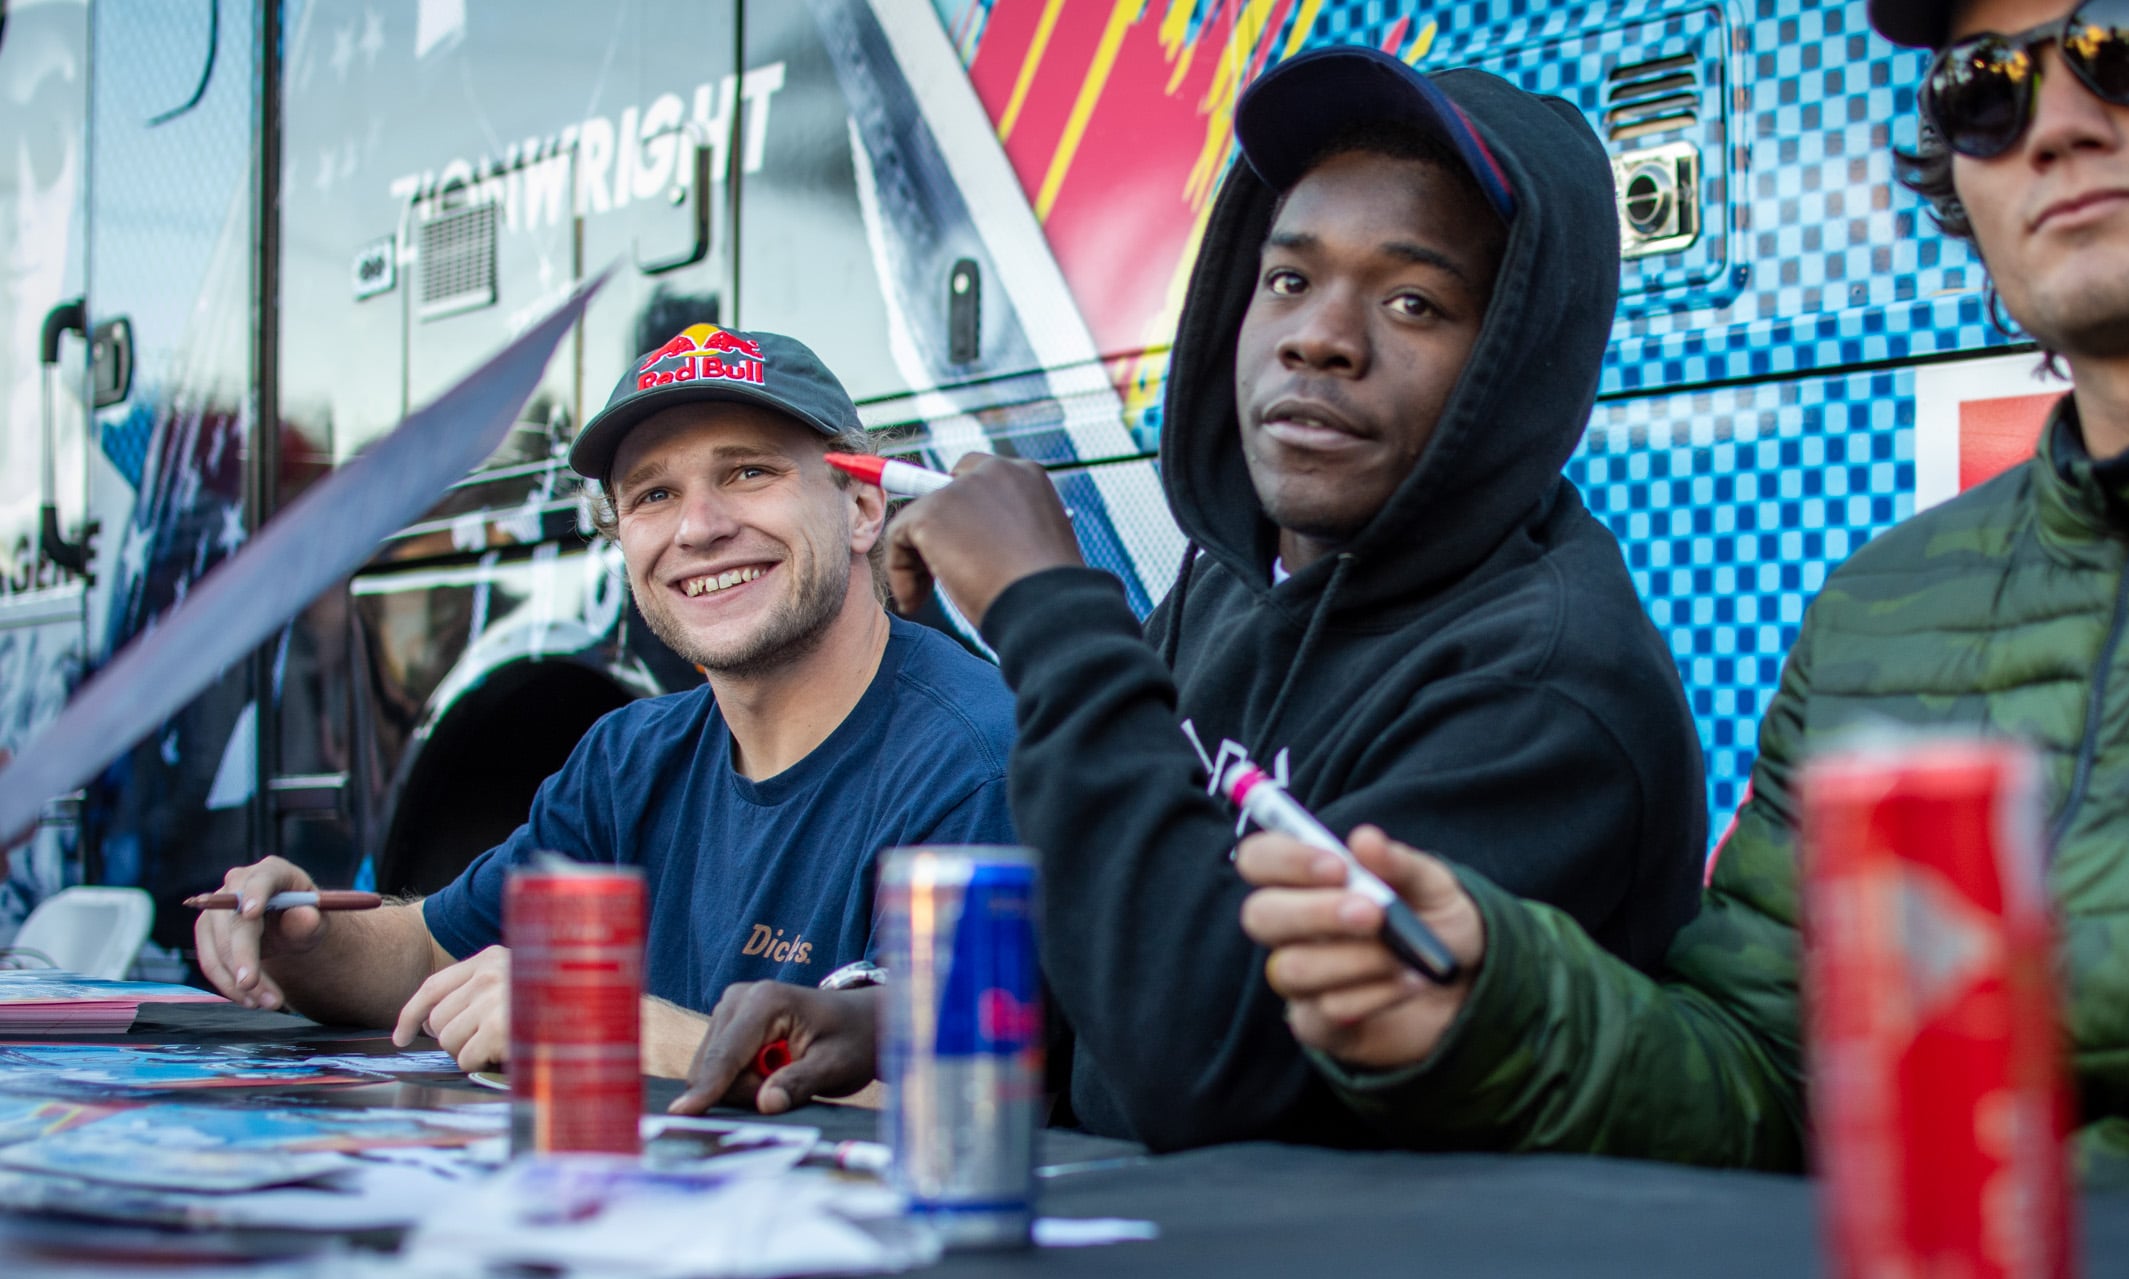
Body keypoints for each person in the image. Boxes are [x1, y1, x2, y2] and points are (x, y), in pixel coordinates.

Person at [1235, 0, 2129, 1193]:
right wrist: (1495, 1003)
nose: (2055, 125)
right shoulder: (1884, 611)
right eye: (1982, 92)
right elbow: (1772, 1083)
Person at [671, 48, 1710, 1145]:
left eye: (1413, 301)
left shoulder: (1548, 685)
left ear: (1516, 358)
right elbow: (1126, 932)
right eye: (1289, 279)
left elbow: (1217, 1071)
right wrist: (895, 1016)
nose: (1319, 336)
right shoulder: (1230, 584)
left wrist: (1051, 611)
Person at [195, 327, 1016, 1094]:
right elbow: (432, 950)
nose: (699, 528)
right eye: (654, 494)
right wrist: (302, 936)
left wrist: (603, 1024)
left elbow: (953, 1086)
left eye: (749, 473)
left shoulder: (976, 756)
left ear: (862, 508)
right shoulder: (628, 758)